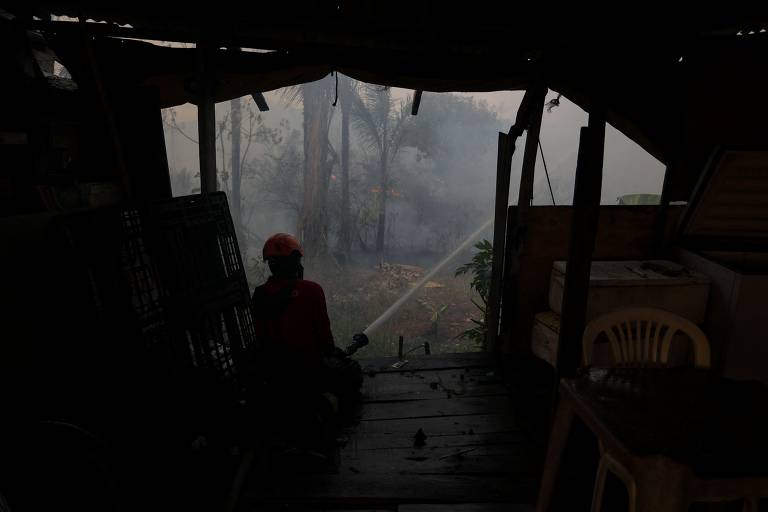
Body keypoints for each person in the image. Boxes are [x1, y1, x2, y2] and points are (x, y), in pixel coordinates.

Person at [249, 233, 366, 445]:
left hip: (275, 376)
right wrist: (334, 356)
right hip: (310, 372)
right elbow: (325, 339)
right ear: (295, 262)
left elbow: (261, 338)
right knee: (352, 373)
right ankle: (325, 406)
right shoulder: (311, 291)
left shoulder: (259, 295)